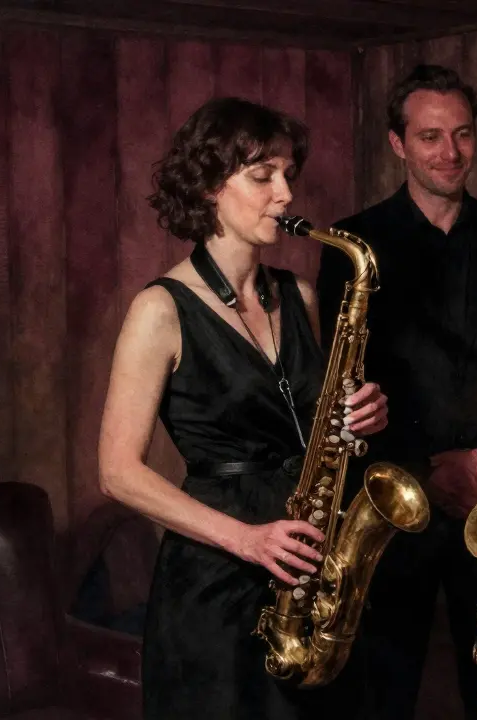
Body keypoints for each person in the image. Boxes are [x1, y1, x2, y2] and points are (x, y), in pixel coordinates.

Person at [98, 97, 390, 719]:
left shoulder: (300, 294)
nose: (285, 195)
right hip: (216, 583)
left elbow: (310, 427)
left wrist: (359, 417)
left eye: (288, 175)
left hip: (311, 574)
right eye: (262, 177)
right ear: (208, 187)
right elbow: (118, 472)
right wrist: (247, 540)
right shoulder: (160, 310)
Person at [317, 64, 477, 720]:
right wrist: (429, 467)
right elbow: (346, 383)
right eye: (430, 137)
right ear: (397, 144)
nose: (449, 153)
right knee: (381, 695)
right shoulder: (352, 244)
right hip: (396, 502)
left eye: (461, 134)